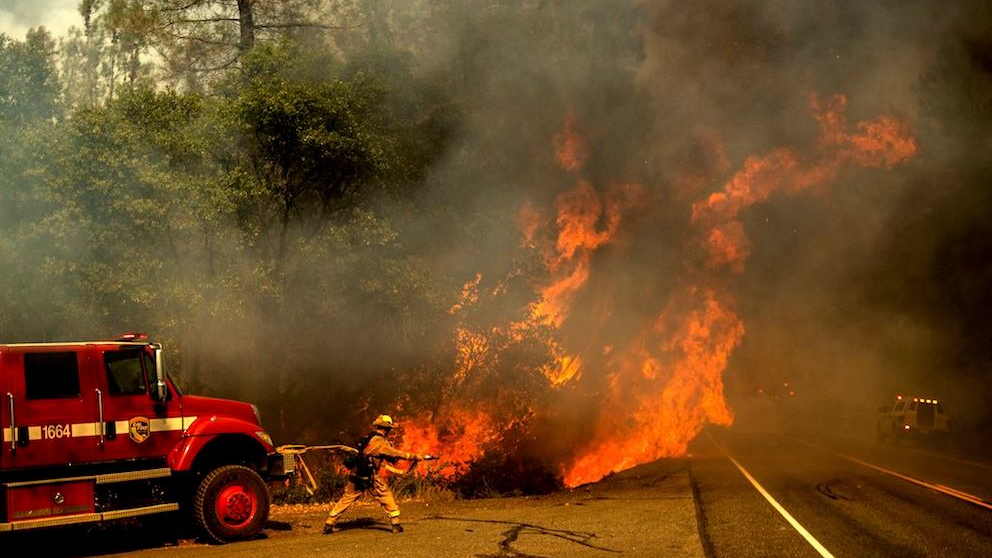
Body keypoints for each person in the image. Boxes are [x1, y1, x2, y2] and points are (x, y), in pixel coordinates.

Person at [323, 414, 434, 534]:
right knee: (385, 495)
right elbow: (396, 454)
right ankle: (396, 524)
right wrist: (416, 457)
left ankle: (329, 523)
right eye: (389, 429)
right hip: (371, 476)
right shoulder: (380, 442)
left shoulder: (368, 438)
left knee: (347, 498)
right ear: (386, 429)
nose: (389, 431)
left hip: (356, 474)